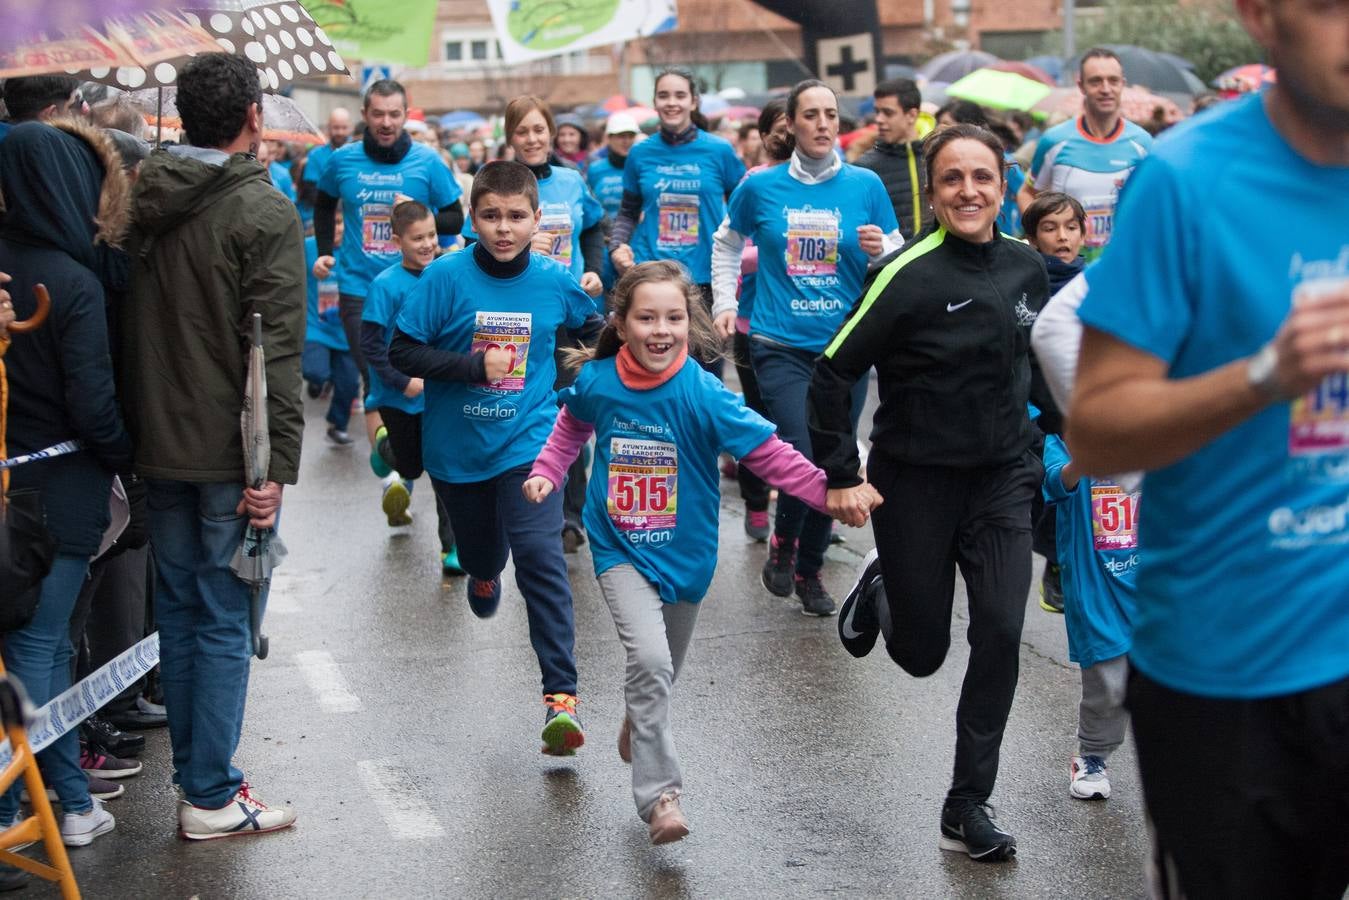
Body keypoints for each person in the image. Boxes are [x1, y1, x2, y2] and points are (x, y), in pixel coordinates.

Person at [1066, 0, 1349, 893]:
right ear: (1260, 19)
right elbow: (1097, 425)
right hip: (1230, 674)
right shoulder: (1186, 179)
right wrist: (1265, 374)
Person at [523, 259, 880, 843]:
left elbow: (769, 455)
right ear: (621, 321)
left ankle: (639, 720)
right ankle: (661, 797)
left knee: (659, 673)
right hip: (619, 547)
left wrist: (829, 492)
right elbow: (569, 430)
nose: (660, 331)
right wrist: (546, 472)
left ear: (690, 324)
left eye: (673, 318)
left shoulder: (703, 393)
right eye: (645, 318)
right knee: (653, 663)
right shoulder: (599, 381)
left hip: (687, 555)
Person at [808, 124, 1049, 862]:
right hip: (913, 480)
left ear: (1003, 188)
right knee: (919, 655)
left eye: (982, 177)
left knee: (1002, 632)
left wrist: (1060, 440)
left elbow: (1034, 371)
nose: (968, 191)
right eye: (952, 179)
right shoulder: (906, 274)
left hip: (1002, 478)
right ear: (934, 192)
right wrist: (843, 473)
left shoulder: (1026, 268)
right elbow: (831, 374)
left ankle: (966, 802)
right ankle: (881, 586)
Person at [120, 52, 304, 840]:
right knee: (224, 619)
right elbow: (277, 356)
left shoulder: (139, 200)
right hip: (229, 455)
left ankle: (199, 783)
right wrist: (276, 471)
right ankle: (210, 794)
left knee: (185, 613)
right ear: (255, 115)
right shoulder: (260, 212)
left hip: (155, 443)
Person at [388, 161, 605, 755]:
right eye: (491, 216)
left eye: (516, 217)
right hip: (458, 451)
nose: (504, 229)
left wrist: (565, 388)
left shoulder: (556, 280)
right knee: (483, 554)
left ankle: (561, 698)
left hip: (530, 441)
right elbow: (401, 349)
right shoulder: (444, 277)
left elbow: (592, 339)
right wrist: (468, 368)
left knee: (540, 555)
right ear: (472, 218)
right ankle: (484, 571)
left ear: (538, 218)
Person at [710, 79, 901, 616]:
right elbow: (726, 243)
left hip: (844, 351)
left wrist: (879, 250)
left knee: (836, 461)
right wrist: (726, 301)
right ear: (790, 124)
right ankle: (789, 547)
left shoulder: (865, 185)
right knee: (805, 453)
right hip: (779, 343)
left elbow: (895, 259)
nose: (822, 123)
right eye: (811, 114)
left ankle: (805, 563)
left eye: (831, 115)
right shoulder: (760, 187)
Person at [0, 118, 134, 849]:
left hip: (14, 483)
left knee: (42, 650)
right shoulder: (73, 279)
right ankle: (23, 808)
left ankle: (70, 803)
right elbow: (94, 401)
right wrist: (124, 451)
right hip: (65, 488)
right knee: (38, 649)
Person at [312, 80, 464, 428]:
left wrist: (418, 209)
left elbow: (455, 217)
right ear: (364, 114)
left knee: (414, 374)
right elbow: (323, 205)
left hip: (415, 285)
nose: (386, 122)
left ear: (405, 116)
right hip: (357, 285)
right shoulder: (343, 160)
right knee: (375, 374)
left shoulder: (426, 161)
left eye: (394, 114)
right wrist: (324, 252)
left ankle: (410, 452)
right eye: (378, 114)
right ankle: (393, 474)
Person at [496, 96, 607, 553]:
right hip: (518, 315)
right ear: (511, 137)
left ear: (552, 132)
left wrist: (595, 269)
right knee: (522, 412)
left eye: (539, 129)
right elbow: (474, 243)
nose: (533, 139)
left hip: (568, 312)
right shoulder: (499, 183)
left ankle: (570, 515)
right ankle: (521, 500)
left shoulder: (570, 180)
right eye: (523, 132)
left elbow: (592, 230)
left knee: (570, 410)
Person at [609, 66, 745, 377]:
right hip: (654, 275)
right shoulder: (640, 153)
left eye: (680, 95)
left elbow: (743, 210)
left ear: (694, 102)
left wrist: (744, 256)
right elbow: (628, 212)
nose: (672, 102)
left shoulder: (719, 150)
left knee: (704, 375)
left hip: (705, 277)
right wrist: (618, 245)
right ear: (655, 102)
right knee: (653, 371)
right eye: (664, 95)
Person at [360, 200, 464, 574]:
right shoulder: (385, 285)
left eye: (432, 236)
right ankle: (384, 448)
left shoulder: (445, 274)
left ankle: (452, 549)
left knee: (444, 469)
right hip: (398, 396)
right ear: (397, 240)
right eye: (417, 238)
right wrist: (401, 381)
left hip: (440, 395)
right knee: (411, 465)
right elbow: (371, 344)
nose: (426, 244)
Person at [1040, 431, 1137, 802]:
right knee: (1109, 678)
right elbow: (1052, 481)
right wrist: (1081, 461)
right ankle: (1093, 757)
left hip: (1151, 572)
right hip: (1094, 577)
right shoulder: (1064, 429)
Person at [724, 99, 792, 542]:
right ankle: (754, 500)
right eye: (778, 128)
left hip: (810, 327)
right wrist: (777, 248)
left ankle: (796, 513)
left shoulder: (831, 185)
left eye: (794, 126)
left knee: (799, 428)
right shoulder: (752, 183)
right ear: (763, 136)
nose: (787, 135)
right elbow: (734, 250)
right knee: (758, 418)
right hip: (754, 323)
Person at [1018, 48, 1152, 262]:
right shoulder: (1054, 141)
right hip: (1067, 273)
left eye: (1113, 80)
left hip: (1120, 268)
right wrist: (1041, 237)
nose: (1105, 89)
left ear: (1122, 84)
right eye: (1096, 81)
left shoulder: (1143, 143)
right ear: (1081, 85)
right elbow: (1026, 193)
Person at [1021, 191, 1087, 613]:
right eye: (1049, 228)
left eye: (1071, 227)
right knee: (1053, 494)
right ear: (1032, 238)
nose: (1062, 237)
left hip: (1088, 411)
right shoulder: (1024, 287)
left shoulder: (1097, 285)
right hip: (1039, 416)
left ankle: (1080, 567)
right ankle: (1058, 563)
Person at [302, 214, 359, 445]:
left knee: (348, 386)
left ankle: (337, 425)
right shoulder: (307, 247)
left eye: (340, 222)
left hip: (346, 333)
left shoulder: (356, 251)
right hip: (317, 328)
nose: (336, 229)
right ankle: (320, 381)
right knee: (316, 371)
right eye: (331, 223)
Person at [854, 78, 932, 240]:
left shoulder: (937, 157)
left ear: (911, 115)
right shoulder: (864, 168)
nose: (879, 119)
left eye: (888, 113)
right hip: (888, 263)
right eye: (877, 112)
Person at [586, 112, 640, 293]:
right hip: (604, 243)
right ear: (609, 138)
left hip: (635, 244)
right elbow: (591, 206)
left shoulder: (641, 167)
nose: (626, 141)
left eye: (630, 136)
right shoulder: (596, 169)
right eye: (620, 136)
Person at [297, 107, 353, 211]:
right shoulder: (315, 155)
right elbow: (311, 190)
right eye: (336, 128)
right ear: (328, 128)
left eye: (344, 128)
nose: (340, 132)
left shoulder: (357, 153)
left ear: (351, 128)